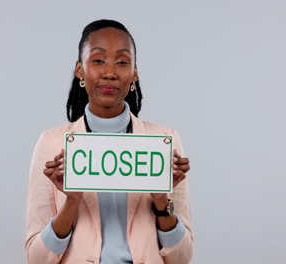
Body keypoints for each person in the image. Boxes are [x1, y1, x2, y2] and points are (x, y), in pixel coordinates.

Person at [25, 19, 194, 264]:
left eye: (123, 62)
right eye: (98, 60)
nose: (110, 72)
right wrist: (72, 201)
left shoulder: (163, 143)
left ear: (134, 72)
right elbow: (36, 258)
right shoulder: (51, 144)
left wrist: (161, 201)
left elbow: (182, 258)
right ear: (79, 69)